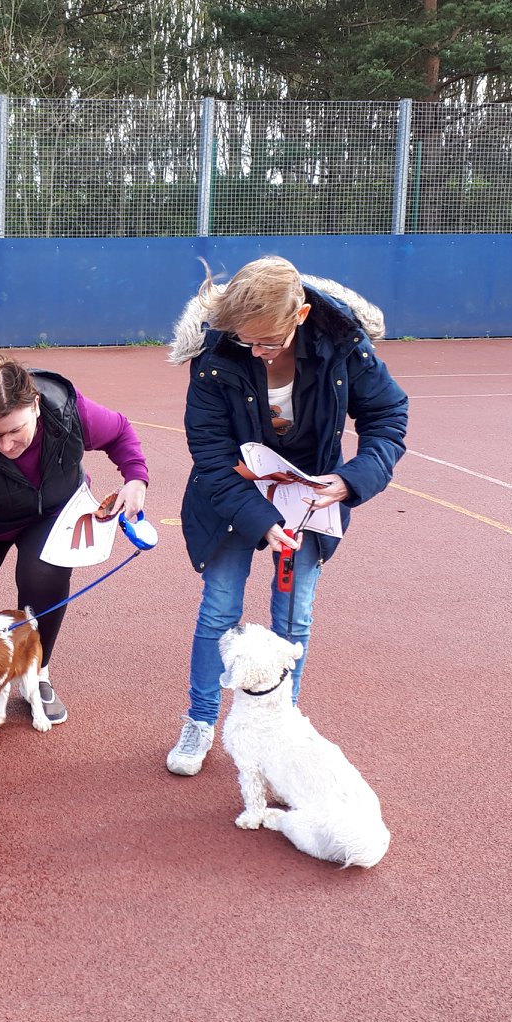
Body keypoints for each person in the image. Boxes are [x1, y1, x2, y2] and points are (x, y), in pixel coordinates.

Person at [164, 256, 407, 776]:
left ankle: (280, 726)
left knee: (293, 618)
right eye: (245, 341)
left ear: (299, 316)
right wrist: (259, 519)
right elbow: (209, 452)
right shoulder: (215, 355)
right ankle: (201, 719)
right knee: (219, 611)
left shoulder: (344, 346)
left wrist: (351, 479)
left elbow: (388, 416)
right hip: (232, 496)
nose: (255, 352)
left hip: (311, 500)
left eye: (266, 342)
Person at [0, 352, 150, 723]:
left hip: (53, 513)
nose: (6, 445)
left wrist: (135, 476)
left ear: (35, 405)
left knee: (45, 574)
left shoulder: (68, 411)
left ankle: (37, 672)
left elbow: (119, 431)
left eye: (14, 430)